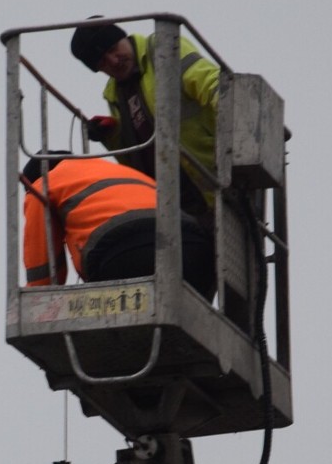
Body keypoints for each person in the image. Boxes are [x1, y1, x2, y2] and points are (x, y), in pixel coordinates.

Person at [69, 19, 220, 219]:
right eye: (103, 61)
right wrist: (112, 134)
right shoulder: (114, 94)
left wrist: (242, 121)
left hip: (216, 183)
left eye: (114, 49)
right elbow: (133, 160)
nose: (114, 61)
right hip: (173, 206)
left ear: (124, 37)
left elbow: (210, 82)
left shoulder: (163, 48)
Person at [22, 153, 215, 299]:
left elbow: (44, 274)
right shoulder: (116, 170)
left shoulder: (41, 185)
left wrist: (38, 302)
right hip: (196, 251)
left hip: (126, 254)